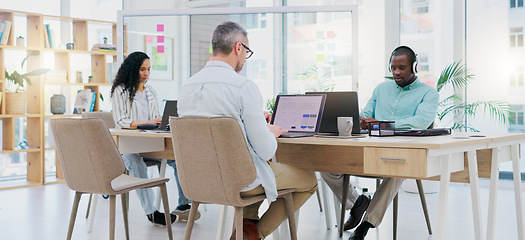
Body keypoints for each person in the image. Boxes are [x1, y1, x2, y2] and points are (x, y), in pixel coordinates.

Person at [177, 21, 318, 240]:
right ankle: (252, 235)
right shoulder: (242, 86)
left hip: (200, 182)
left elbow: (220, 131)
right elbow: (264, 150)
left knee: (257, 168)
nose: (245, 58)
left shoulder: (186, 87)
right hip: (239, 181)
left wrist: (248, 123)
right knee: (309, 181)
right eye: (247, 51)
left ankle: (245, 230)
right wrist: (269, 131)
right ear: (238, 47)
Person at [321, 46, 439, 240]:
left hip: (403, 151)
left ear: (415, 67)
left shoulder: (429, 94)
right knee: (326, 166)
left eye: (402, 67)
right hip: (370, 146)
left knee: (398, 170)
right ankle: (357, 203)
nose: (396, 72)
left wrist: (383, 124)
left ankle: (366, 224)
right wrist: (361, 119)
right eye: (393, 68)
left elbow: (421, 121)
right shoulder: (381, 89)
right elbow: (367, 114)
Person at [110, 51, 200, 226]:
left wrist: (160, 123)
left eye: (149, 69)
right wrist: (148, 122)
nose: (146, 74)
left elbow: (156, 117)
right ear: (132, 69)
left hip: (150, 142)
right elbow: (120, 121)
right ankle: (151, 212)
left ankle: (183, 205)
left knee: (177, 158)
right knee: (136, 163)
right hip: (127, 146)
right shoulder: (120, 91)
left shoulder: (151, 91)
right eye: (142, 69)